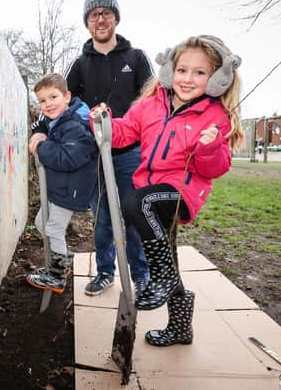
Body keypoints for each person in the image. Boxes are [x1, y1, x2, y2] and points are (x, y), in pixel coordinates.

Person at [91, 35, 244, 346]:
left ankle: (161, 278)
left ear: (216, 78)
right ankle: (180, 327)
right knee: (167, 256)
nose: (188, 79)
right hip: (151, 191)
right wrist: (103, 122)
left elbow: (215, 168)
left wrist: (210, 145)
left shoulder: (214, 116)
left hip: (180, 194)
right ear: (170, 70)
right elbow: (123, 134)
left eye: (199, 73)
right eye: (182, 70)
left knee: (136, 202)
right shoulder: (150, 105)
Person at [29, 0, 153, 297]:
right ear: (87, 21)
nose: (101, 19)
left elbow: (153, 104)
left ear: (116, 18)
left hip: (130, 153)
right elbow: (58, 101)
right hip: (94, 155)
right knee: (102, 219)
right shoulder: (80, 64)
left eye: (107, 13)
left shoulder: (136, 58)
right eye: (94, 14)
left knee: (134, 213)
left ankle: (141, 275)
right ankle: (105, 273)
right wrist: (39, 130)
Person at [26, 74, 98, 293]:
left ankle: (56, 276)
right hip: (61, 185)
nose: (48, 104)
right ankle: (64, 260)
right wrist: (39, 134)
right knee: (41, 223)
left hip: (71, 188)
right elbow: (42, 126)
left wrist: (41, 147)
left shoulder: (76, 124)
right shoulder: (59, 118)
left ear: (67, 96)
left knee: (53, 228)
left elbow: (68, 157)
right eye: (42, 100)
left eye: (53, 97)